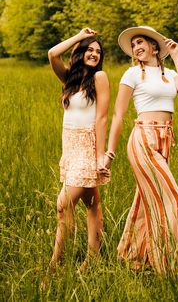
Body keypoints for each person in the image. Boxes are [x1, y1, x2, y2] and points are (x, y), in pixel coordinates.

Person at [104, 26, 178, 273]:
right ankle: (170, 267)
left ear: (155, 46)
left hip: (165, 138)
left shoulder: (171, 74)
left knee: (147, 200)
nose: (136, 48)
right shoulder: (132, 74)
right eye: (133, 45)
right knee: (173, 198)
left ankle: (133, 255)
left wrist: (175, 55)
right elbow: (118, 115)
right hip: (143, 138)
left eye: (140, 42)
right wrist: (110, 153)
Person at [47, 27, 110, 272]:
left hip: (87, 146)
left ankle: (55, 263)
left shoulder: (99, 78)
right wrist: (79, 36)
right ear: (81, 51)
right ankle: (93, 259)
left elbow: (102, 118)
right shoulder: (70, 79)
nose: (94, 54)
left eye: (98, 51)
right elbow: (53, 54)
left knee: (63, 205)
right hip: (70, 146)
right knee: (92, 203)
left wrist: (100, 156)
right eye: (90, 49)